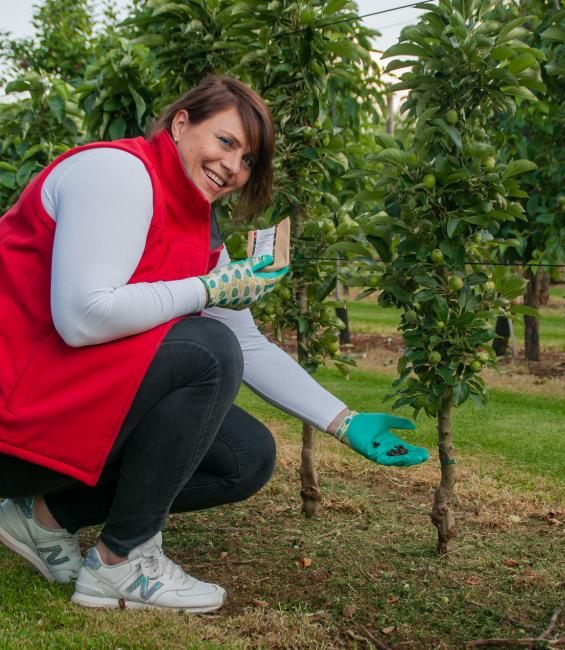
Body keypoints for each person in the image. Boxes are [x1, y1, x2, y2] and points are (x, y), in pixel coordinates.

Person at [0, 75, 428, 614]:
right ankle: (121, 562)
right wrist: (205, 289)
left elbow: (246, 343)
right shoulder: (118, 174)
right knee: (204, 348)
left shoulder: (200, 229)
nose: (234, 167)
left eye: (249, 160)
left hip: (59, 410)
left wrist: (343, 420)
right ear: (181, 124)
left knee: (244, 456)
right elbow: (82, 317)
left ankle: (42, 519)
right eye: (226, 142)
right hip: (13, 420)